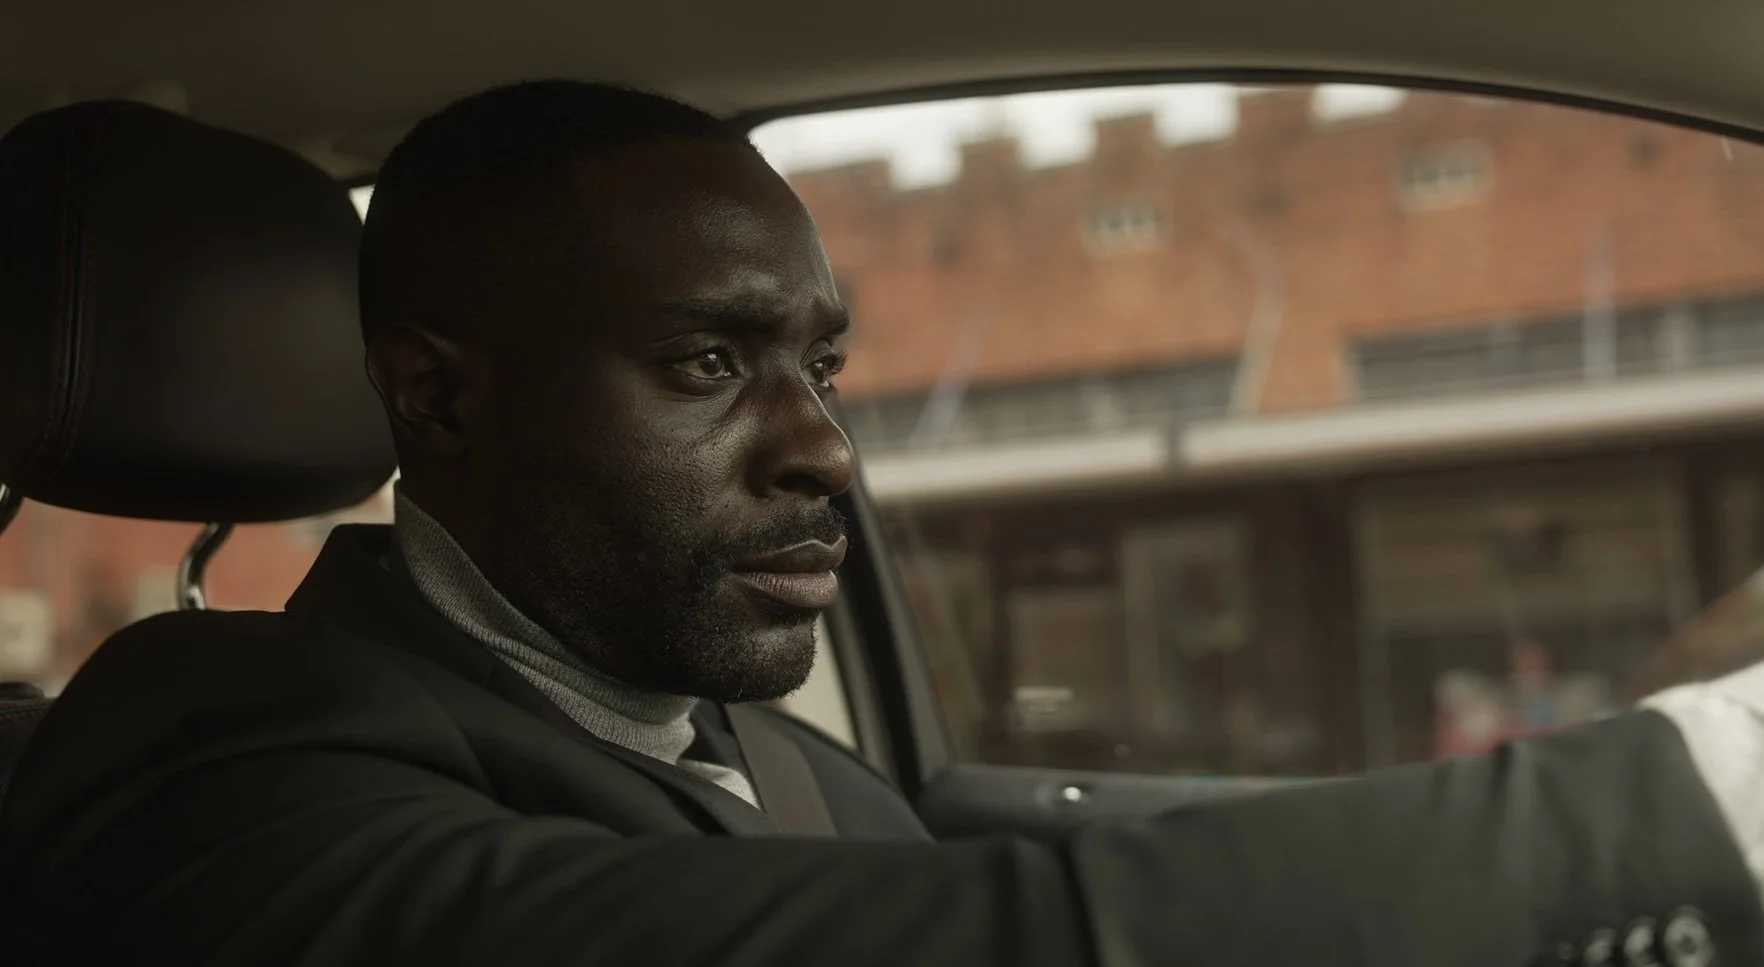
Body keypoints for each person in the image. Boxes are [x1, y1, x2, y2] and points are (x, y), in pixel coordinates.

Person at [2, 80, 1763, 967]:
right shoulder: (215, 763)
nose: (827, 451)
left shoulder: (797, 767)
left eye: (823, 366)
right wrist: (1692, 792)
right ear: (441, 401)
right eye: (709, 362)